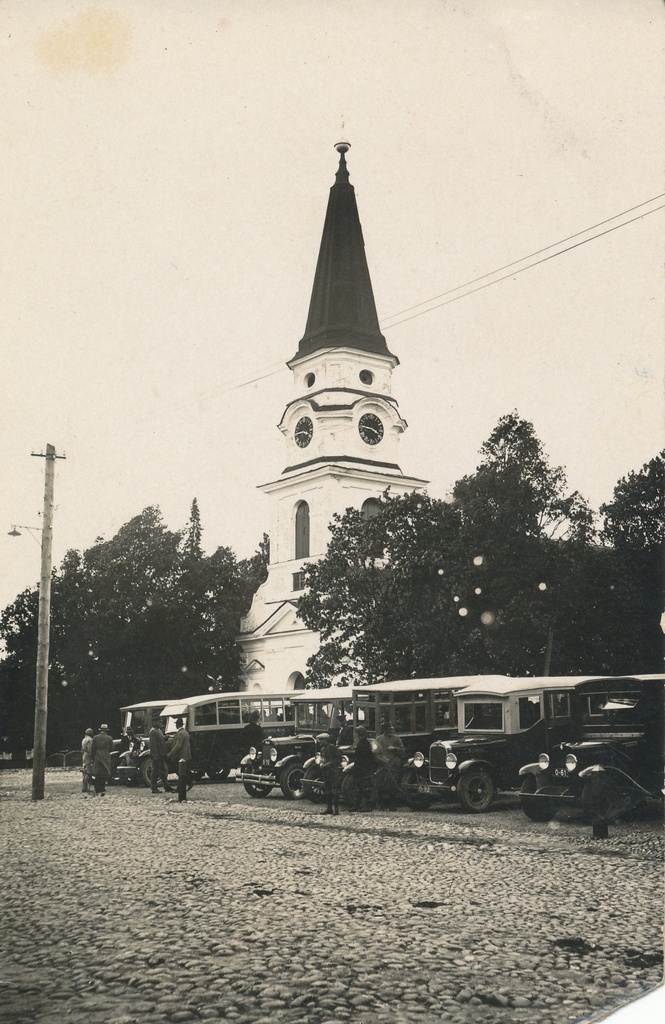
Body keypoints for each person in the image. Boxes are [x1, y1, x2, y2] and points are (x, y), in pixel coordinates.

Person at [375, 722, 405, 810]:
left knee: (393, 784)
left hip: (394, 765)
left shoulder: (397, 739)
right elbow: (376, 752)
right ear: (384, 730)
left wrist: (395, 748)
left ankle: (392, 805)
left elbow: (403, 750)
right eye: (389, 730)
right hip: (382, 765)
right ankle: (381, 805)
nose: (391, 731)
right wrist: (381, 760)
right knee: (381, 784)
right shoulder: (378, 739)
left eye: (392, 729)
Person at [350, 725, 377, 812]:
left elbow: (364, 757)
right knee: (360, 787)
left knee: (365, 788)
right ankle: (357, 805)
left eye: (356, 733)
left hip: (363, 768)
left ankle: (367, 806)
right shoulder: (363, 742)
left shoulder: (363, 743)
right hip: (362, 768)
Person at [317, 733, 343, 816]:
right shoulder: (322, 749)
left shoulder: (332, 747)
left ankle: (336, 809)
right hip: (326, 772)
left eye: (321, 740)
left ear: (325, 740)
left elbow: (338, 758)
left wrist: (328, 764)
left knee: (334, 790)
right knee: (328, 790)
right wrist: (321, 764)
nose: (319, 742)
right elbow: (322, 759)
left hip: (333, 771)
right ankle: (329, 808)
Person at [148, 717, 172, 793]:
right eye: (159, 722)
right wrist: (155, 755)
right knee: (155, 771)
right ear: (155, 722)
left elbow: (159, 741)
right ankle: (154, 787)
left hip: (161, 755)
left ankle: (166, 786)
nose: (160, 723)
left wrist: (164, 738)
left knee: (163, 771)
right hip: (157, 755)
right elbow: (153, 745)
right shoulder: (153, 731)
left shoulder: (158, 731)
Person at [89, 724, 114, 796]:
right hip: (106, 755)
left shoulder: (95, 737)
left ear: (100, 730)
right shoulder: (109, 738)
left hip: (97, 755)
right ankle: (102, 787)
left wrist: (92, 757)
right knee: (104, 772)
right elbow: (111, 748)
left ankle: (97, 788)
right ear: (106, 730)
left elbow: (93, 748)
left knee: (97, 772)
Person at [168, 717, 193, 787]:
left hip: (181, 755)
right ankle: (188, 782)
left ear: (177, 725)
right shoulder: (185, 732)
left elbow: (178, 745)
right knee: (183, 771)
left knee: (180, 772)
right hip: (186, 755)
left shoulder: (180, 733)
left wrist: (170, 753)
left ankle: (185, 784)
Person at [81, 728, 94, 793]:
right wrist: (92, 756)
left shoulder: (84, 739)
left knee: (85, 771)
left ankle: (84, 786)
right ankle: (86, 787)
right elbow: (90, 749)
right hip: (88, 756)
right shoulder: (90, 740)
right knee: (88, 772)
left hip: (84, 755)